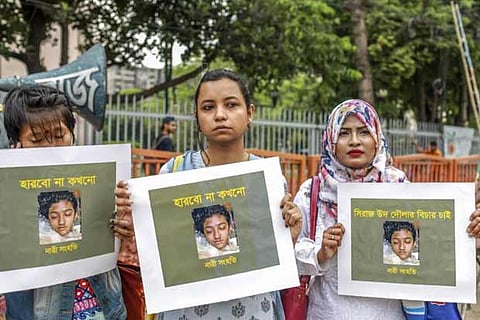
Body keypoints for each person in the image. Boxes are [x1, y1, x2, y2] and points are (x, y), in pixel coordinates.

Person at [112, 68, 302, 319]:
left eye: (231, 105)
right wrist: (132, 220)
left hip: (254, 310)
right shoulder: (174, 172)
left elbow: (270, 255)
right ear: (197, 118)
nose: (220, 115)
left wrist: (291, 234)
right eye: (208, 107)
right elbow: (161, 247)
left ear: (250, 113)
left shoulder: (268, 180)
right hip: (186, 312)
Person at [293, 99, 480, 320]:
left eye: (363, 132)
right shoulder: (312, 193)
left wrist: (469, 232)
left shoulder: (398, 187)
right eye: (343, 133)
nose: (354, 141)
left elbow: (430, 246)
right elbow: (290, 258)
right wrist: (321, 253)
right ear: (331, 139)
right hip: (327, 313)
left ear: (377, 137)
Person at [2, 85, 126, 319]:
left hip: (105, 307)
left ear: (72, 133)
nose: (51, 149)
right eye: (37, 140)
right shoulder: (5, 191)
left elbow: (116, 235)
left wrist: (123, 227)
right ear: (15, 143)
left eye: (59, 136)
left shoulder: (100, 177)